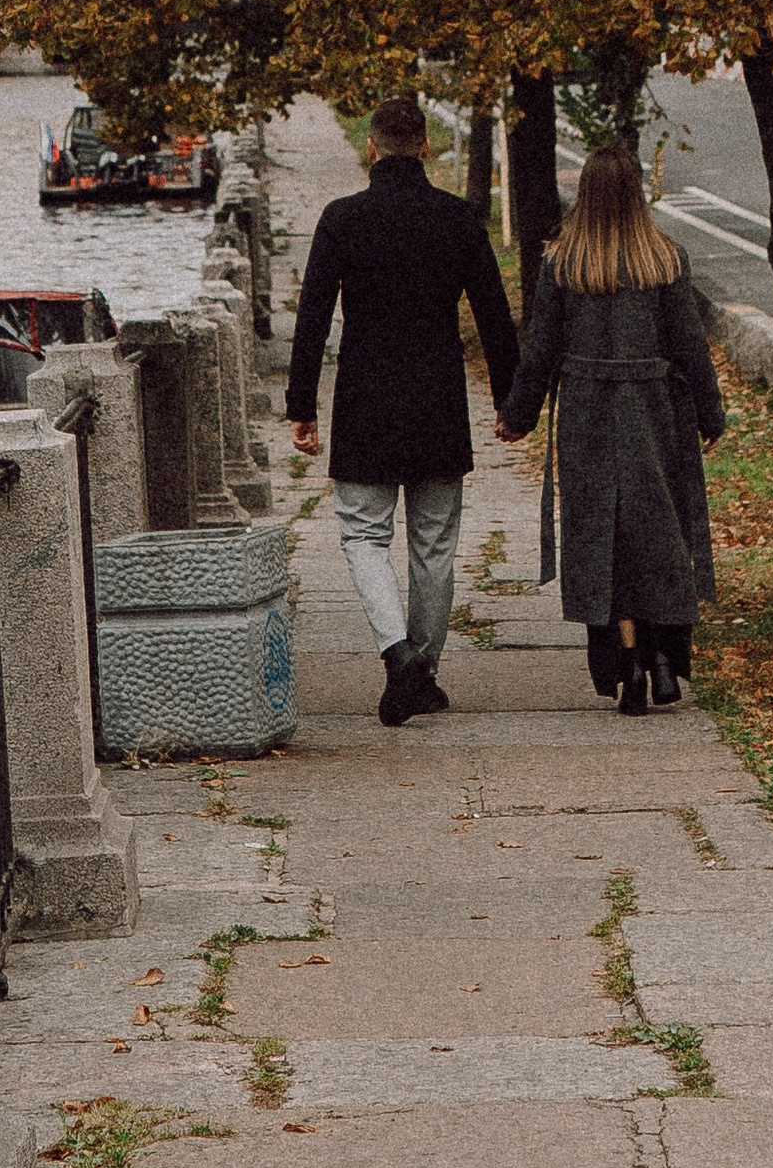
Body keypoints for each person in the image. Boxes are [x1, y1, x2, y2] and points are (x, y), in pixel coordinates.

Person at [286, 92, 521, 725]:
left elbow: (312, 317)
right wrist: (512, 402)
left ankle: (398, 656)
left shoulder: (341, 219)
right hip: (438, 396)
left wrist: (301, 404)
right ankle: (423, 666)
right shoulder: (460, 220)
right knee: (435, 543)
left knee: (363, 533)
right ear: (424, 146)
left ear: (370, 147)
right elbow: (494, 315)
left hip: (365, 397)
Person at [496, 143, 725, 716]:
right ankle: (663, 654)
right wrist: (709, 412)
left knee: (603, 538)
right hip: (655, 413)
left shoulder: (563, 263)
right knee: (656, 533)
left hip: (587, 414)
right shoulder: (664, 259)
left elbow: (541, 349)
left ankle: (625, 662)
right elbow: (690, 346)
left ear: (586, 193)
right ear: (636, 192)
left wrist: (518, 415)